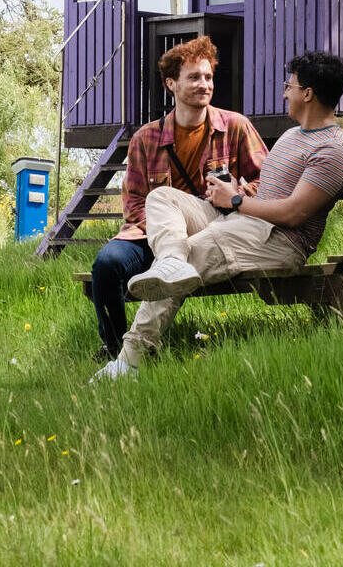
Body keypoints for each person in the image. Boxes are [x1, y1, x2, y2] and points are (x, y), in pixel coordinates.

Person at [100, 51, 343, 378]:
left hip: (278, 241)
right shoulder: (294, 135)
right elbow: (267, 191)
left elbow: (293, 213)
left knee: (195, 249)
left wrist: (235, 200)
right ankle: (171, 260)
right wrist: (236, 192)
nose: (284, 93)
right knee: (163, 198)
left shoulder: (332, 151)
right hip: (244, 221)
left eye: (289, 86)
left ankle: (129, 361)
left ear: (308, 94)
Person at [89, 36, 267, 380]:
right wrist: (163, 235)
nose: (205, 85)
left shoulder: (236, 126)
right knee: (107, 265)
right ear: (171, 83)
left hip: (215, 228)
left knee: (182, 249)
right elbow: (135, 202)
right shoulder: (145, 138)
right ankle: (115, 350)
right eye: (194, 77)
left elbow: (268, 181)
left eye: (208, 77)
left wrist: (239, 192)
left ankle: (137, 351)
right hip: (153, 235)